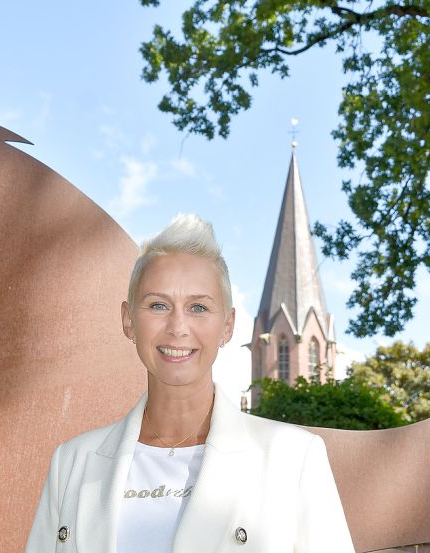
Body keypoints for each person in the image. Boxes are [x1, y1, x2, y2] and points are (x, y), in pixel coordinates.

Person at [25, 214, 354, 552]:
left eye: (198, 307)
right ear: (128, 321)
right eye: (157, 305)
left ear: (227, 325)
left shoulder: (294, 458)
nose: (177, 326)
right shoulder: (72, 462)